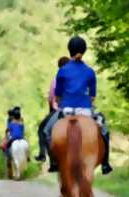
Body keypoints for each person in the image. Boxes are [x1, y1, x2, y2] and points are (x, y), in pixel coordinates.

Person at [48, 36, 113, 175]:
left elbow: (57, 95)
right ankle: (106, 164)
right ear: (84, 50)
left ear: (69, 50)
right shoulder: (90, 71)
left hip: (66, 110)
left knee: (48, 131)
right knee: (104, 132)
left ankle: (53, 161)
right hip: (85, 111)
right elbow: (92, 97)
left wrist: (62, 102)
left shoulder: (62, 71)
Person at [34, 57, 70, 164]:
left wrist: (54, 108)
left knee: (43, 130)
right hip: (81, 109)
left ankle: (45, 156)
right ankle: (104, 161)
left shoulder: (57, 80)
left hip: (60, 110)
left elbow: (51, 98)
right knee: (100, 127)